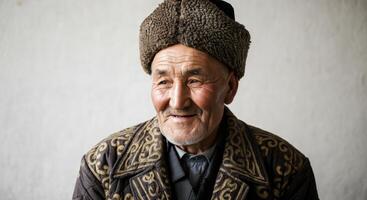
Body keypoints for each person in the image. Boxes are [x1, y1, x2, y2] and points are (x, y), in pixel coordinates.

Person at [72, 0, 319, 199]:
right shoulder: (104, 164)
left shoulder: (285, 168)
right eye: (163, 81)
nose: (177, 101)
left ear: (230, 88)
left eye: (194, 80)